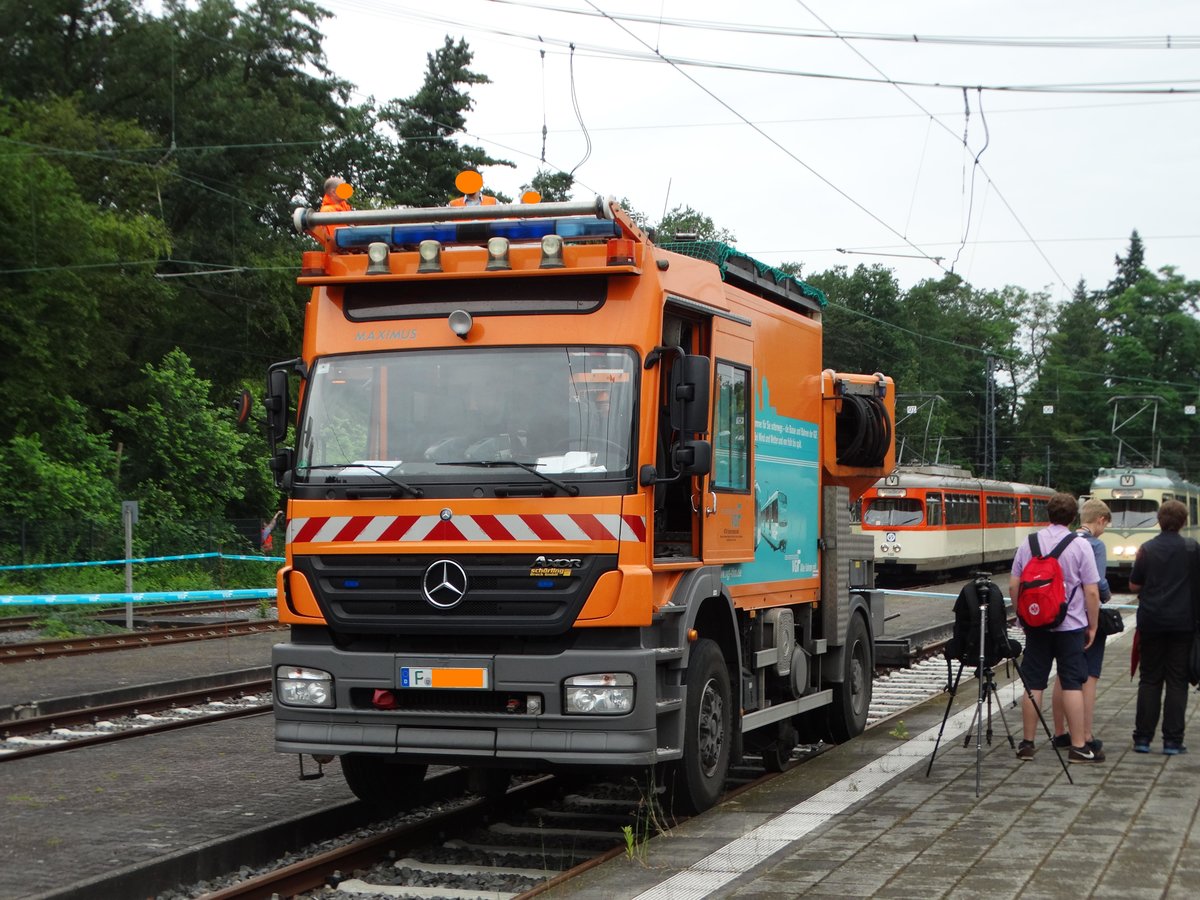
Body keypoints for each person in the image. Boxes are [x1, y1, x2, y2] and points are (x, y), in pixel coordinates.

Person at [1010, 491, 1102, 763]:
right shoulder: (1080, 545)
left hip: (1036, 625)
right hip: (1070, 626)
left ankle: (1027, 744)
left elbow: (1014, 585)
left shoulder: (1029, 543)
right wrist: (1093, 626)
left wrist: (1022, 617)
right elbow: (1092, 592)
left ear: (1047, 514)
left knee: (1033, 682)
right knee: (1072, 682)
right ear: (1074, 518)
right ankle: (1078, 747)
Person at [1129, 499, 1197, 755]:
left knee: (1149, 679)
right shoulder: (1193, 548)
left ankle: (1143, 738)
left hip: (1152, 621)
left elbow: (1135, 585)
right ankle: (1172, 740)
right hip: (1183, 623)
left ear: (1159, 519)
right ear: (1184, 521)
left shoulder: (1147, 548)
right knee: (1177, 680)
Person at [1050, 498, 1112, 755]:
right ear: (1100, 520)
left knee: (1061, 677)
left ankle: (1060, 732)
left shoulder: (1063, 540)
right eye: (1106, 524)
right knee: (1087, 678)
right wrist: (1104, 599)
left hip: (1058, 616)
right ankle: (1085, 734)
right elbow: (1097, 586)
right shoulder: (1094, 545)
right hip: (1083, 620)